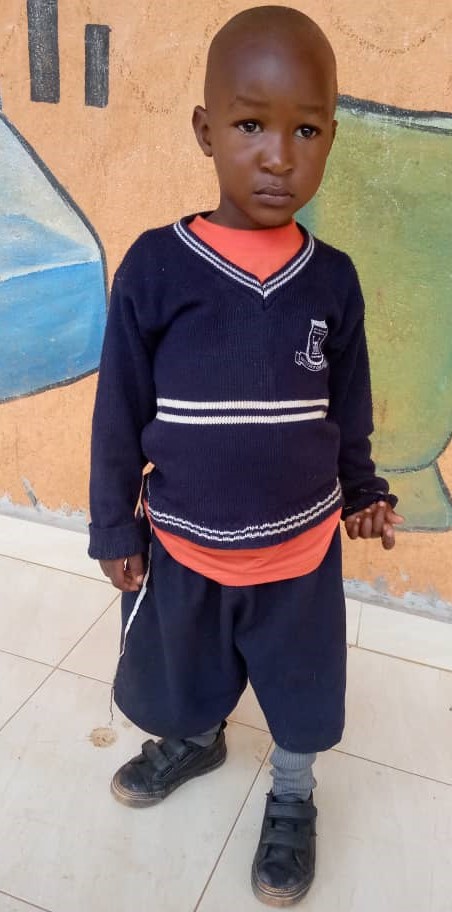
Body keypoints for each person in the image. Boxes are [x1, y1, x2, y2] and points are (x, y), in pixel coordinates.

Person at [88, 6, 403, 906]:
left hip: (299, 553)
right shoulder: (157, 267)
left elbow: (347, 407)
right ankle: (195, 739)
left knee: (302, 689)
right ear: (205, 130)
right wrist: (115, 525)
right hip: (184, 543)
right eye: (251, 124)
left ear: (330, 138)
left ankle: (294, 795)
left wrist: (363, 488)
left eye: (306, 131)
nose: (278, 156)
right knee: (179, 672)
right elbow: (119, 410)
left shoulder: (332, 280)